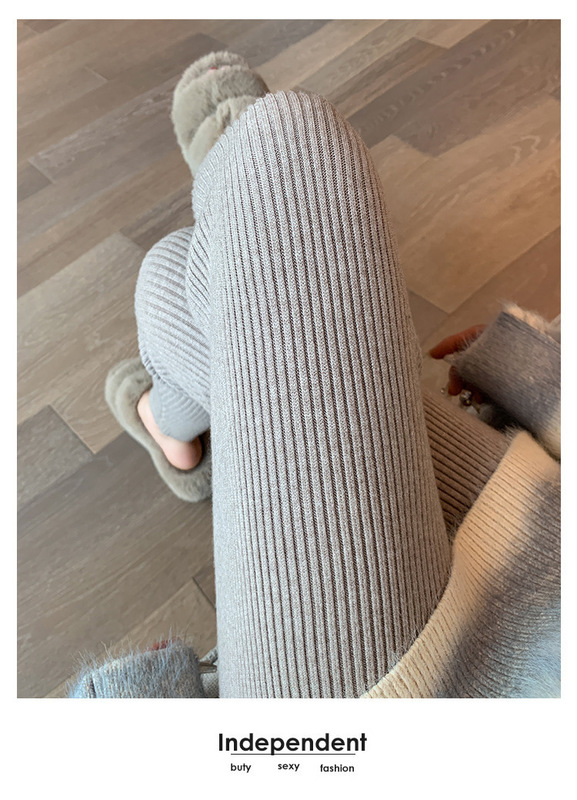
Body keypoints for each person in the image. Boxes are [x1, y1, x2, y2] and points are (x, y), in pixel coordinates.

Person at [70, 52, 560, 699]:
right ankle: (181, 392)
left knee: (282, 152)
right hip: (537, 518)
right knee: (180, 265)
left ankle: (177, 408)